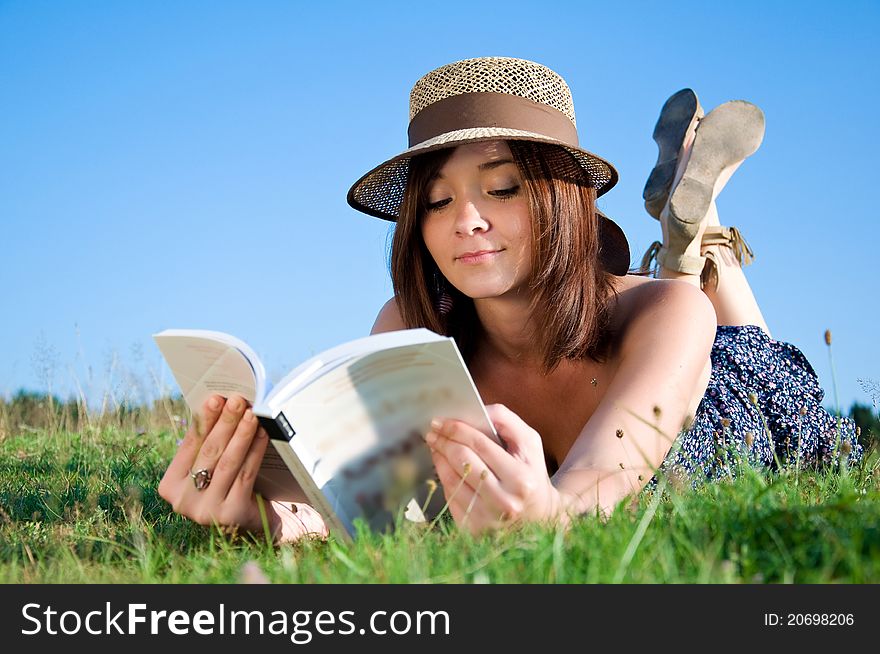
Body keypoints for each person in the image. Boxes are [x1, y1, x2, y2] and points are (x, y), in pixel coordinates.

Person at [158, 57, 861, 543]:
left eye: (501, 189)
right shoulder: (409, 329)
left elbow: (588, 490)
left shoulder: (668, 315)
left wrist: (549, 515)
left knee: (752, 349)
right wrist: (264, 518)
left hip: (723, 395)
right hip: (647, 344)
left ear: (559, 196)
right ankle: (687, 235)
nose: (466, 220)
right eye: (437, 200)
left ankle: (699, 242)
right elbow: (385, 510)